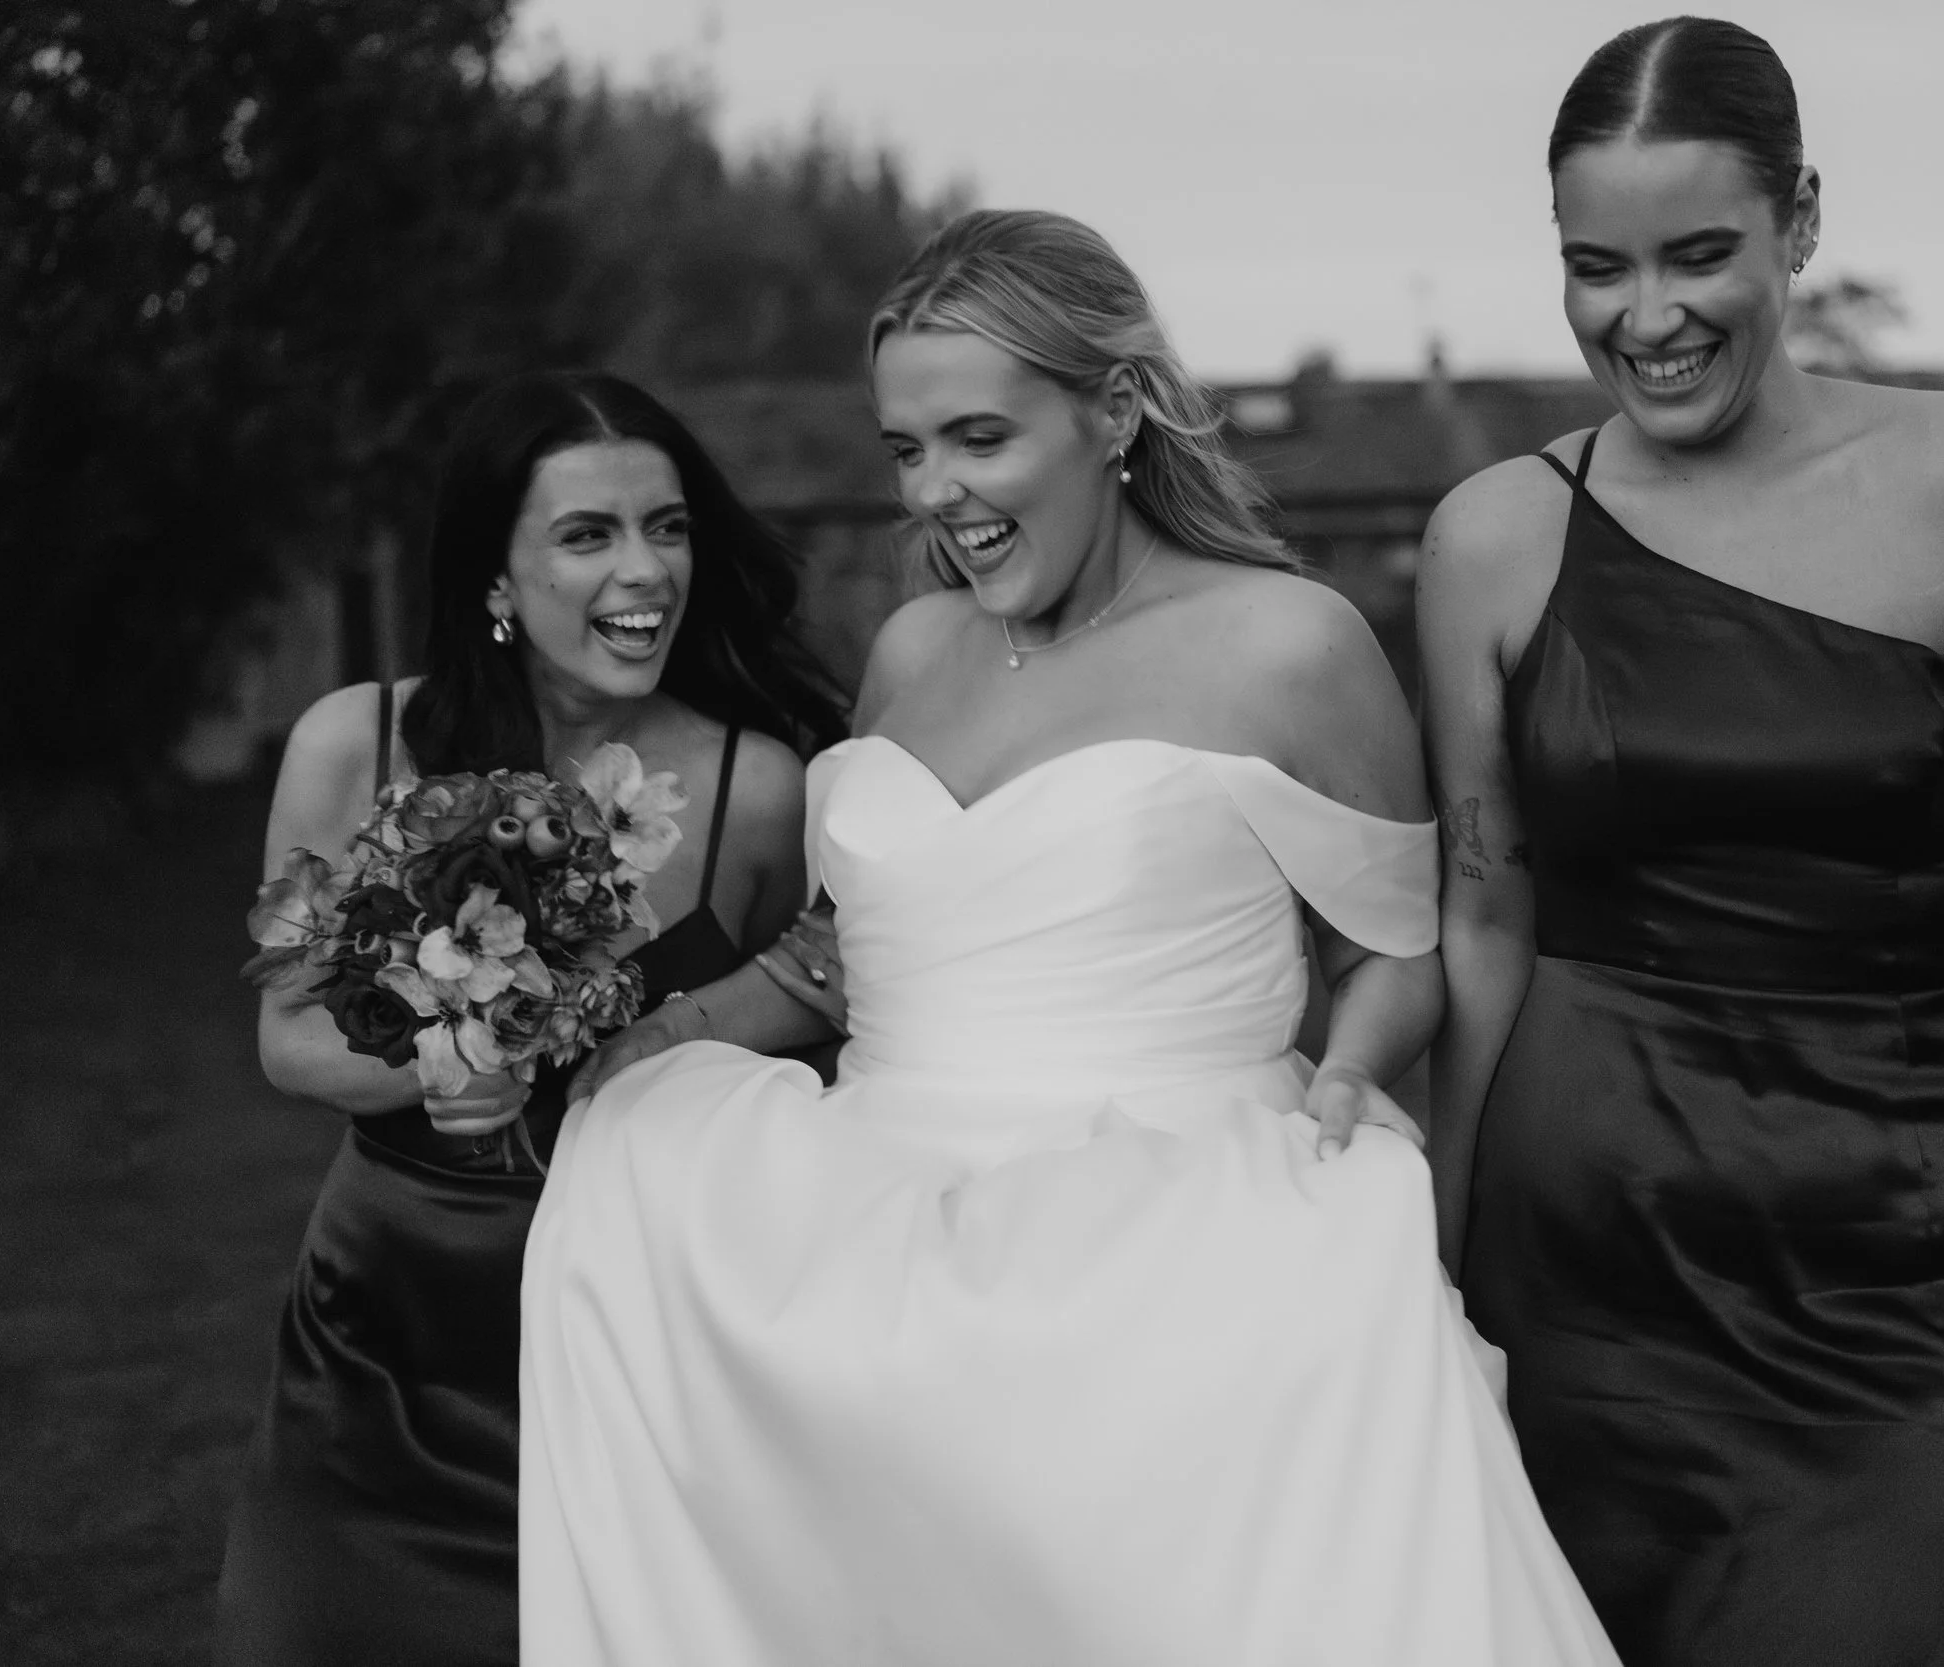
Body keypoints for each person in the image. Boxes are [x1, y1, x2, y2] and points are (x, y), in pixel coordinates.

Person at [518, 210, 1619, 1666]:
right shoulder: (916, 649)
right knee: (628, 1229)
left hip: (1162, 1209)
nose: (937, 492)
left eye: (978, 436)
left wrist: (1348, 1077)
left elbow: (1395, 949)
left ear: (1115, 408)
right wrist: (655, 1037)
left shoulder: (1288, 644)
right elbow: (842, 956)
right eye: (906, 449)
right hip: (877, 1204)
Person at [1416, 19, 1944, 1667]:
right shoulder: (1489, 536)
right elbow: (1485, 922)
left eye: (1701, 256)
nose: (1648, 319)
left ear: (1804, 221)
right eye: (1595, 269)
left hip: (1884, 1228)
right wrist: (1434, 1260)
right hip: (1586, 1248)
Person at [213, 372, 844, 1667]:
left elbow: (810, 1025)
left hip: (639, 1334)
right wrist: (448, 1061)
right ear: (497, 575)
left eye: (667, 527)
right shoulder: (358, 742)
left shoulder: (756, 787)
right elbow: (289, 1037)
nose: (646, 570)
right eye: (588, 534)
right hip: (388, 1332)